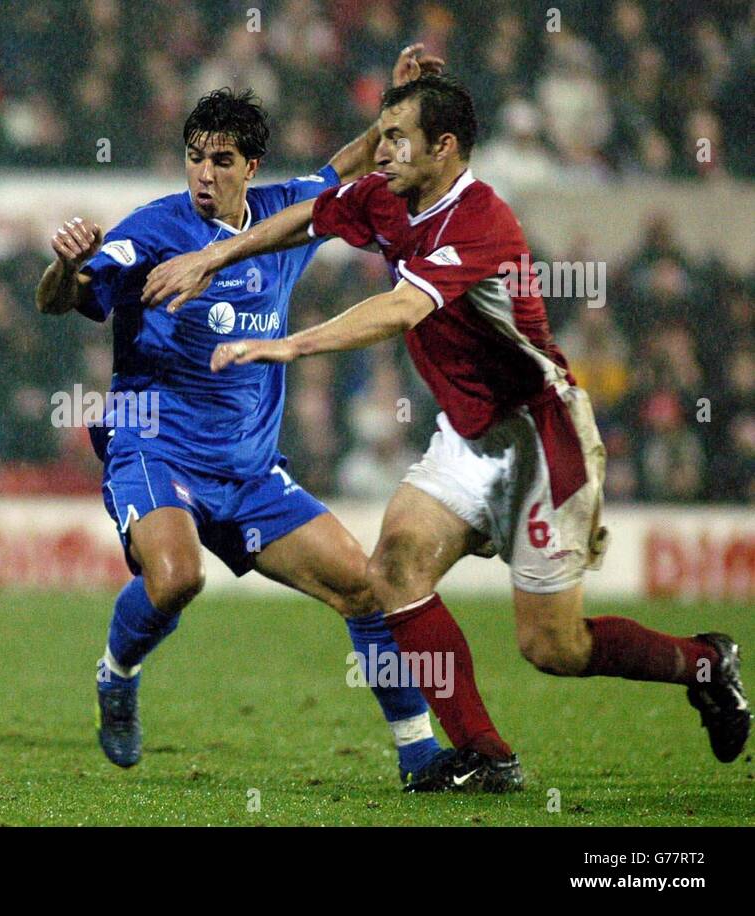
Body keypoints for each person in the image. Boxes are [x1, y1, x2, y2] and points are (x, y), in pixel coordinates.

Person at [145, 74, 750, 779]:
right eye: (383, 134)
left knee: (553, 648)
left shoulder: (481, 220)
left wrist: (289, 343)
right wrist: (216, 253)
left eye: (398, 139)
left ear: (446, 147)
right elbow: (309, 217)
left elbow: (402, 309)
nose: (384, 150)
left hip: (539, 437)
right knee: (394, 567)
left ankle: (705, 664)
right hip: (467, 436)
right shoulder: (385, 197)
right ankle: (484, 756)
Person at [36, 47, 510, 791]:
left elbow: (350, 165)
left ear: (249, 166)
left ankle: (419, 755)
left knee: (365, 586)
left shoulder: (287, 217)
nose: (203, 173)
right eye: (193, 157)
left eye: (220, 159)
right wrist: (66, 265)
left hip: (250, 470)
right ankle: (117, 673)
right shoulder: (153, 229)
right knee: (177, 578)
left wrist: (397, 103)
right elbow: (62, 299)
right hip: (155, 449)